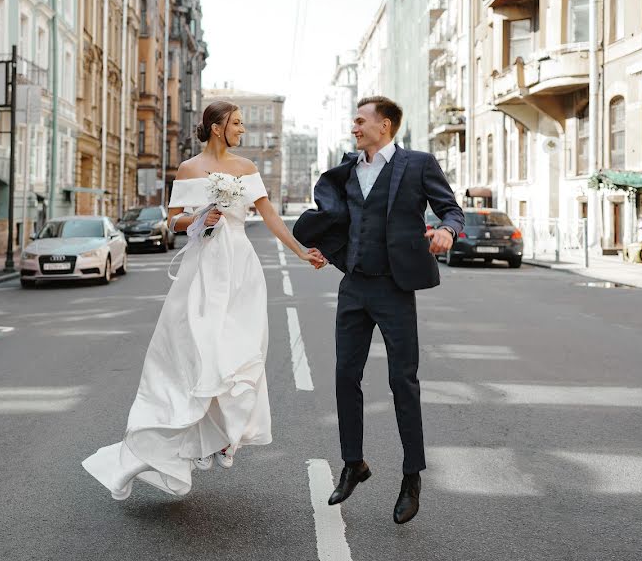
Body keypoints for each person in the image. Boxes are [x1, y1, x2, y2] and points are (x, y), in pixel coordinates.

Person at [82, 101, 325, 500]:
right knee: (191, 352)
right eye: (237, 124)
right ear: (217, 127)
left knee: (238, 349)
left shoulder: (247, 169)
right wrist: (200, 219)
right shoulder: (188, 169)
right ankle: (182, 437)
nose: (242, 131)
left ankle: (229, 434)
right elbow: (172, 219)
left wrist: (300, 251)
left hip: (240, 269)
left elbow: (269, 216)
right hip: (202, 267)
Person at [293, 96, 464, 524]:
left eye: (360, 121)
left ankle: (412, 477)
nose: (354, 127)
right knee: (345, 375)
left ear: (384, 126)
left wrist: (446, 230)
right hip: (353, 286)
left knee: (402, 381)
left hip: (394, 289)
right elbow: (338, 220)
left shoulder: (418, 164)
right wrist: (323, 252)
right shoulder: (348, 168)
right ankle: (354, 463)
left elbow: (451, 209)